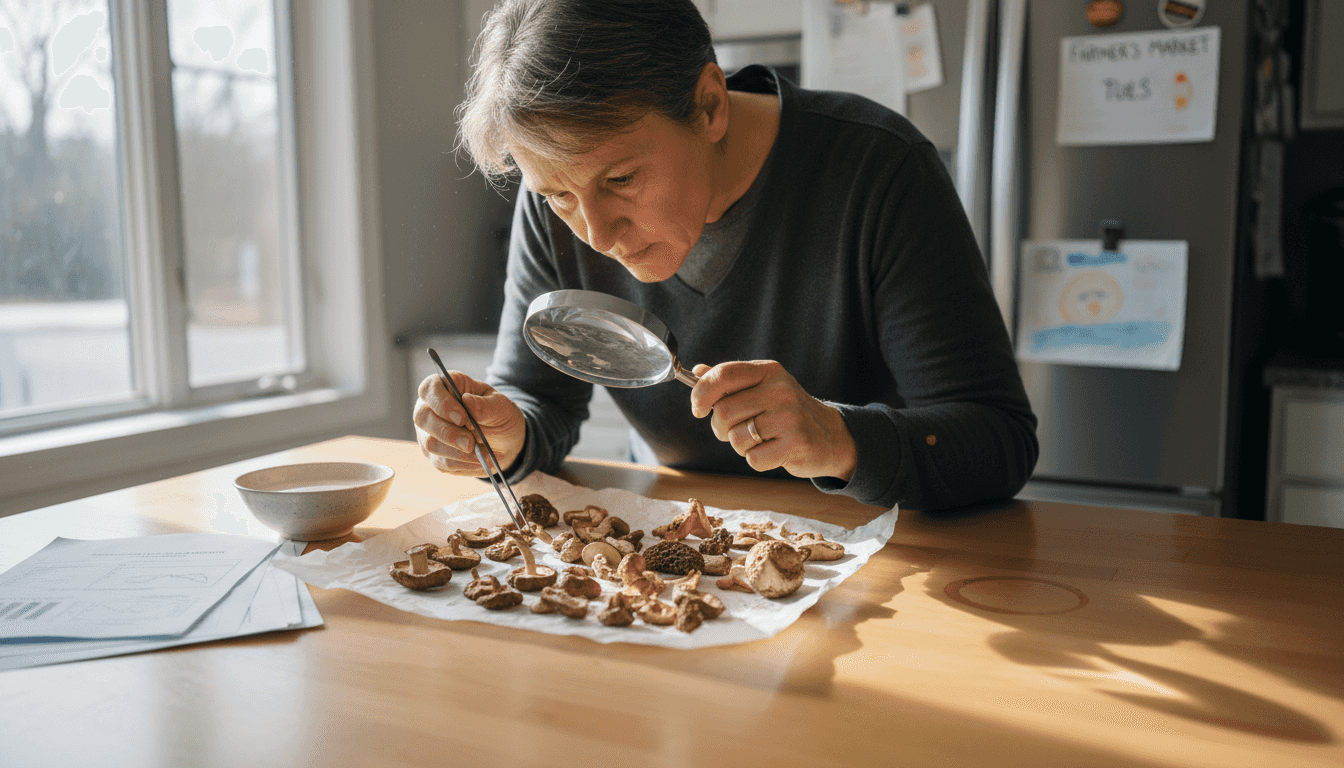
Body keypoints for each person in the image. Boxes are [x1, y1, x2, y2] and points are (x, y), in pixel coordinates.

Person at [414, 0, 1038, 512]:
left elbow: (998, 439)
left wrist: (835, 437)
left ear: (709, 106)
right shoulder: (556, 200)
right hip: (676, 550)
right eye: (557, 196)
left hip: (885, 557)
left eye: (623, 180)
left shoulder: (877, 172)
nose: (597, 236)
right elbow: (537, 401)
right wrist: (500, 433)